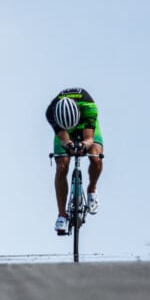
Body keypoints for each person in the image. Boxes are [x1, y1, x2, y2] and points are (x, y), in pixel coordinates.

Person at [45, 87, 104, 235]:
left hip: (85, 123)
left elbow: (89, 138)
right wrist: (67, 144)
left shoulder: (89, 107)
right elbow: (63, 139)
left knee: (95, 156)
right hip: (64, 129)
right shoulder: (51, 112)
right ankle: (61, 215)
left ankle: (92, 189)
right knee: (61, 166)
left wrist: (84, 144)